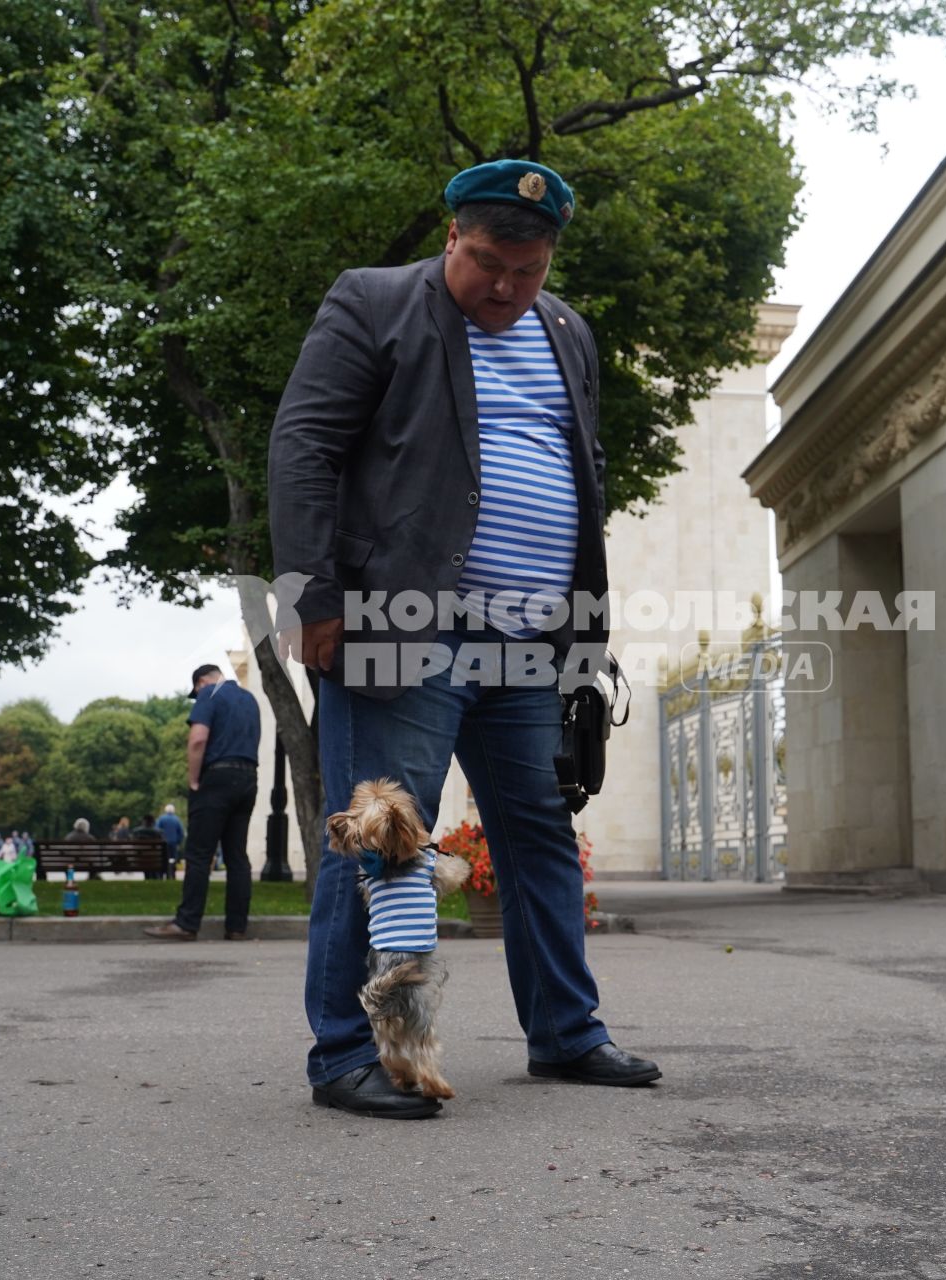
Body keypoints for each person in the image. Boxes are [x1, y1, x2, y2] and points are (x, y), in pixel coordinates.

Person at [267, 159, 659, 1120]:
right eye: (490, 262)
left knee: (539, 840)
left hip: (531, 639)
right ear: (453, 237)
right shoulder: (373, 303)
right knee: (384, 840)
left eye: (529, 270)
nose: (508, 287)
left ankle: (567, 1035)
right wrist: (312, 596)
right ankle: (350, 1054)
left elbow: (583, 464)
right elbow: (304, 444)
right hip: (406, 626)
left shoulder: (567, 329)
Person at [143, 664, 260, 942]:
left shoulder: (209, 694)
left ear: (201, 682)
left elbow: (197, 740)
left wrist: (193, 779)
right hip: (247, 778)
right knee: (237, 856)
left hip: (216, 777)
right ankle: (236, 926)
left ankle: (187, 922)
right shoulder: (249, 699)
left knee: (198, 854)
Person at [155, 803, 185, 881]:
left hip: (163, 843)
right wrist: (178, 841)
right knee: (173, 858)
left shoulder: (161, 819)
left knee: (163, 858)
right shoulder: (176, 819)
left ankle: (162, 875)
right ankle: (172, 874)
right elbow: (181, 833)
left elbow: (156, 830)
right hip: (173, 843)